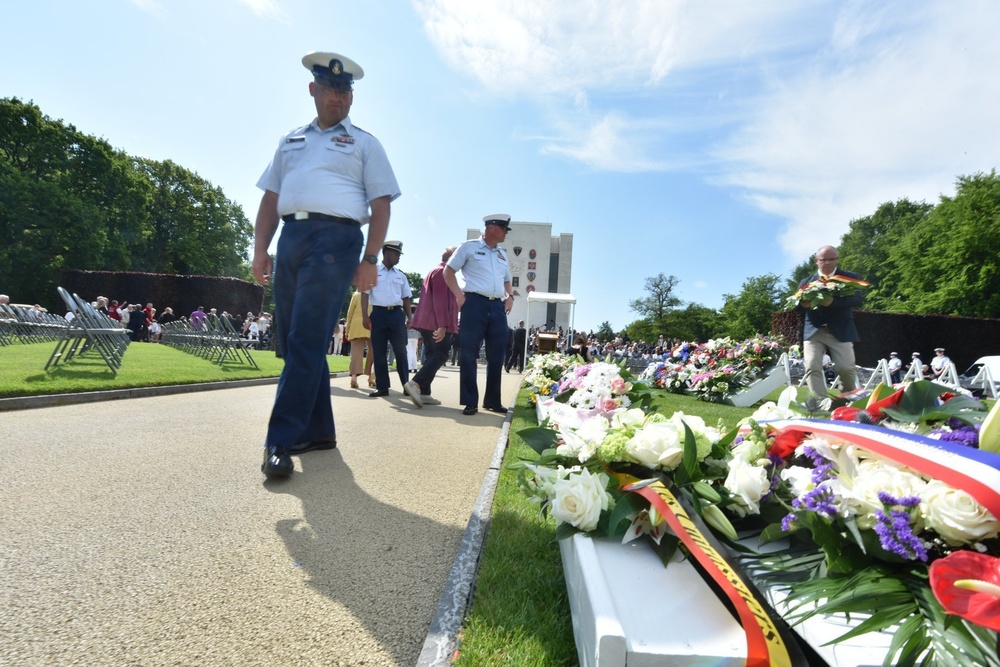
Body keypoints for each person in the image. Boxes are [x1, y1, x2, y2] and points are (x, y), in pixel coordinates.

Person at [252, 51, 400, 479]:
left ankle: (278, 441)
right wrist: (261, 249)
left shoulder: (365, 143)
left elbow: (381, 203)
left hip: (337, 241)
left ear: (352, 97)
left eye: (346, 91)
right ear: (313, 89)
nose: (339, 97)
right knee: (298, 341)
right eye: (332, 89)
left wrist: (370, 258)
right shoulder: (290, 140)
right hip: (291, 239)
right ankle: (318, 431)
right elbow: (270, 199)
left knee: (306, 338)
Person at [444, 213, 515, 415]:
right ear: (492, 227)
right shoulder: (468, 247)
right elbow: (448, 271)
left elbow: (507, 280)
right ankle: (470, 401)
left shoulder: (502, 254)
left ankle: (492, 400)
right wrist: (458, 295)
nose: (506, 233)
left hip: (497, 307)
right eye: (504, 228)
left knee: (497, 354)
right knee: (469, 353)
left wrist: (510, 297)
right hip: (474, 303)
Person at [798, 245, 864, 398]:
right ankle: (819, 403)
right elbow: (797, 307)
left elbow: (858, 299)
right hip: (814, 330)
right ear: (816, 261)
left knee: (846, 368)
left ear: (837, 259)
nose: (827, 263)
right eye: (823, 260)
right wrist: (803, 305)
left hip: (841, 330)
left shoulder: (849, 278)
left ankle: (846, 399)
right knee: (811, 365)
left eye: (831, 259)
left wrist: (833, 302)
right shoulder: (806, 281)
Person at [404, 245, 459, 408]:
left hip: (427, 321)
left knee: (431, 355)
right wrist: (442, 325)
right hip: (437, 322)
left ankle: (425, 392)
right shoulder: (444, 273)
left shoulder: (434, 270)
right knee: (441, 354)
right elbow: (440, 300)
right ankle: (416, 383)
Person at [362, 240, 412, 397]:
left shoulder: (401, 276)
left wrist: (410, 317)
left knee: (400, 351)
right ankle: (383, 387)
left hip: (397, 315)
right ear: (388, 253)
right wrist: (365, 316)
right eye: (397, 254)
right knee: (379, 352)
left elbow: (406, 298)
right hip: (378, 315)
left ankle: (406, 385)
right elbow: (364, 295)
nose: (398, 257)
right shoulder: (373, 272)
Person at [346, 291, 375, 388]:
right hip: (372, 324)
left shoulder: (356, 295)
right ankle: (371, 377)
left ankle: (354, 377)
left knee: (355, 352)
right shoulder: (375, 295)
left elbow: (350, 312)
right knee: (373, 351)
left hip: (356, 324)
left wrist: (348, 328)